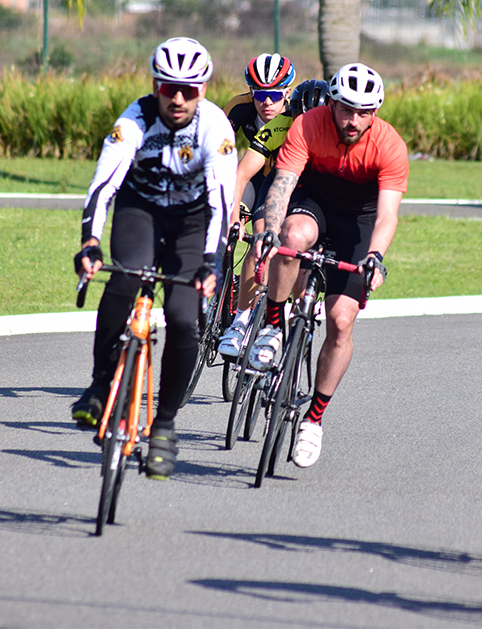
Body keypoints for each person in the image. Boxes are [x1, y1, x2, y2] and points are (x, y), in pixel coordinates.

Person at [71, 37, 237, 480]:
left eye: (189, 89)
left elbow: (223, 201)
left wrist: (211, 262)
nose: (178, 98)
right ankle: (101, 384)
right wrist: (90, 242)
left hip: (191, 223)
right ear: (155, 86)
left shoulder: (216, 128)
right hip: (140, 211)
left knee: (184, 318)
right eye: (168, 88)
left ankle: (163, 426)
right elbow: (104, 184)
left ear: (204, 89)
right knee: (123, 280)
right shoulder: (135, 119)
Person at [248, 62, 408, 468]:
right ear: (332, 103)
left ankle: (314, 420)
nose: (353, 120)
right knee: (291, 237)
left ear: (375, 111)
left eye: (363, 112)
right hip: (314, 198)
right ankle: (271, 325)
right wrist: (269, 228)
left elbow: (388, 215)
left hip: (360, 216)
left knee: (340, 320)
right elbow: (282, 184)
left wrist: (375, 257)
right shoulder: (307, 124)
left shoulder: (389, 145)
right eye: (345, 109)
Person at [217, 77, 331, 359]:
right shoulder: (280, 126)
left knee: (304, 261)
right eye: (301, 120)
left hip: (313, 196)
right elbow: (243, 173)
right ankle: (241, 321)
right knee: (261, 246)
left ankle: (287, 323)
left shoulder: (336, 135)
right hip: (277, 185)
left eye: (315, 120)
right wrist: (234, 215)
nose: (308, 127)